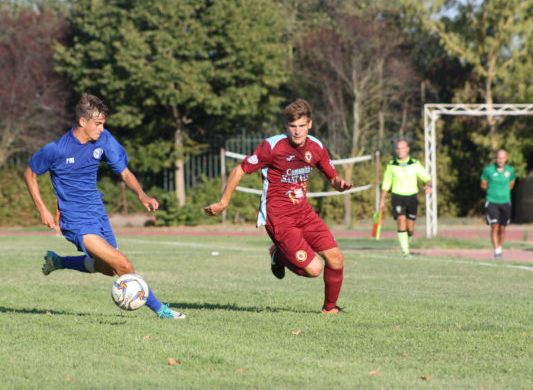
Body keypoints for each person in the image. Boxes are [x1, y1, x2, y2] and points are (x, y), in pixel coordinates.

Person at [23, 94, 185, 319]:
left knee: (111, 269)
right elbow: (30, 174)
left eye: (103, 124)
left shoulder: (104, 139)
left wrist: (141, 195)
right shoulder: (56, 149)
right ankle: (162, 310)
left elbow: (124, 172)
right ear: (82, 122)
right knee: (124, 265)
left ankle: (59, 261)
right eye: (97, 124)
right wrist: (42, 207)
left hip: (97, 213)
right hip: (75, 220)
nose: (101, 128)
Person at [203, 99, 352, 314]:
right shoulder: (272, 147)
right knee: (314, 270)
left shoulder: (316, 146)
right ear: (286, 126)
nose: (297, 131)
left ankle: (330, 309)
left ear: (310, 124)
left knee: (336, 258)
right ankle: (278, 254)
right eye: (293, 126)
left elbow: (332, 176)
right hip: (279, 218)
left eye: (302, 126)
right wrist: (223, 202)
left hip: (304, 213)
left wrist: (340, 184)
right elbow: (239, 170)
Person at [378, 140, 432, 258]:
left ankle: (407, 244)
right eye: (398, 148)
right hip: (397, 197)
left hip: (412, 197)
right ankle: (405, 251)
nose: (400, 151)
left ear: (407, 149)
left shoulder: (415, 163)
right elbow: (386, 184)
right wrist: (382, 199)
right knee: (401, 221)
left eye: (402, 148)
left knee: (410, 228)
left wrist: (429, 185)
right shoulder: (391, 165)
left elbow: (427, 178)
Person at [480, 149, 516, 259]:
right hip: (492, 201)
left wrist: (503, 193)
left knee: (502, 228)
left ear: (506, 159)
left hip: (505, 202)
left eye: (502, 158)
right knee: (494, 226)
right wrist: (493, 192)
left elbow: (511, 184)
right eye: (498, 158)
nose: (500, 160)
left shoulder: (510, 170)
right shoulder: (489, 170)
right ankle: (497, 251)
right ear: (496, 158)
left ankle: (500, 247)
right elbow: (483, 185)